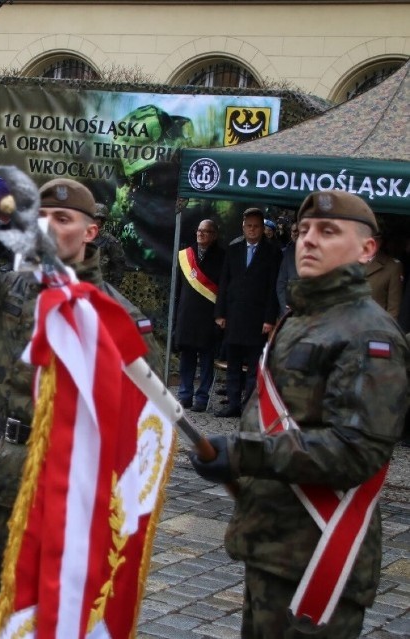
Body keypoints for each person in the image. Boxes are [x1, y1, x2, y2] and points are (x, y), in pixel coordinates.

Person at [0, 178, 160, 624]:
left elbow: (146, 416)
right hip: (6, 478)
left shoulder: (117, 315)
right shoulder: (8, 291)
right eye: (40, 218)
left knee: (64, 618)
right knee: (3, 614)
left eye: (62, 219)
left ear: (90, 232)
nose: (48, 227)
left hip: (76, 486)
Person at [189, 190, 409, 639]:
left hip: (320, 553)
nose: (308, 240)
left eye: (328, 231)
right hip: (272, 544)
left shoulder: (368, 334)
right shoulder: (301, 317)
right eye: (303, 230)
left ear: (367, 249)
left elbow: (356, 451)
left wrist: (243, 453)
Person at [214, 207, 281, 417]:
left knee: (254, 367)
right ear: (243, 227)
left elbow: (273, 288)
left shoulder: (273, 253)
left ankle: (250, 408)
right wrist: (220, 313)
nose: (252, 230)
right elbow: (224, 283)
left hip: (258, 318)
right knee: (233, 365)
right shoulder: (233, 250)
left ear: (262, 228)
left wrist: (269, 319)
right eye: (249, 226)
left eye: (256, 227)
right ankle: (233, 404)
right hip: (234, 316)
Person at [174, 219, 225, 412]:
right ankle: (185, 395)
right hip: (187, 315)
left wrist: (220, 315)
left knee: (206, 360)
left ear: (214, 235)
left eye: (206, 231)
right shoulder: (186, 255)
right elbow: (179, 289)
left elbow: (224, 290)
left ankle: (202, 398)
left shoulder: (222, 257)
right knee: (186, 357)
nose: (201, 234)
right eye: (199, 230)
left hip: (208, 316)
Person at [365, 231, 403, 320]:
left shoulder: (392, 266)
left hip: (375, 325)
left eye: (375, 239)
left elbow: (393, 308)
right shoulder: (348, 261)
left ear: (380, 242)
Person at [92, 202, 128, 286]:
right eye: (95, 217)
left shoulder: (110, 240)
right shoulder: (81, 237)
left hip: (102, 285)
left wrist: (114, 287)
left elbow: (119, 264)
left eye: (100, 218)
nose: (98, 221)